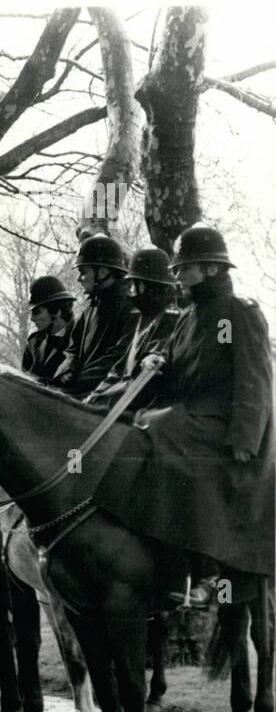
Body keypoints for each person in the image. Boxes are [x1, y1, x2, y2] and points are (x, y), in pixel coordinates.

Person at [102, 225, 273, 603]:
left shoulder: (235, 315)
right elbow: (177, 368)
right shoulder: (188, 317)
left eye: (185, 268)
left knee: (157, 426)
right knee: (144, 424)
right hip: (187, 416)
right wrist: (156, 360)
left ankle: (210, 573)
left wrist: (246, 438)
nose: (177, 276)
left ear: (211, 269)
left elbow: (253, 378)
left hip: (221, 423)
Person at [86, 247, 180, 410]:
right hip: (122, 401)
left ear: (150, 286)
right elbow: (118, 369)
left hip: (144, 408)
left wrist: (103, 401)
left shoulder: (170, 320)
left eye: (134, 285)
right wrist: (95, 396)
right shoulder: (139, 318)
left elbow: (146, 378)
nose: (130, 292)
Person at [53, 234, 137, 399]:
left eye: (83, 272)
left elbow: (118, 357)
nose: (79, 278)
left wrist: (76, 383)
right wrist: (67, 369)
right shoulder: (90, 307)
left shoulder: (130, 308)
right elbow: (73, 349)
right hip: (79, 391)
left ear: (103, 272)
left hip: (105, 397)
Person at [21, 275, 76, 383]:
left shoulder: (80, 339)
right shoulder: (33, 342)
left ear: (56, 311)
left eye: (37, 312)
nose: (32, 318)